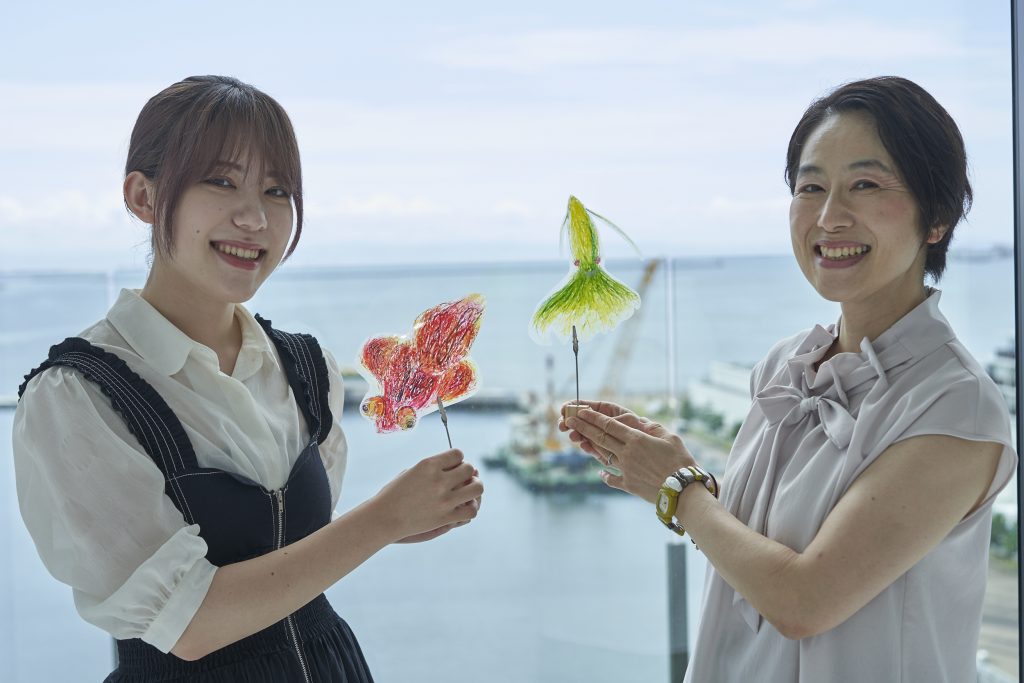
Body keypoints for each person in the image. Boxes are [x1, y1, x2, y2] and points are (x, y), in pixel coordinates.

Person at [13, 75, 484, 682]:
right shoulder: (77, 397)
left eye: (277, 190)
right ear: (143, 197)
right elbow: (188, 625)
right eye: (222, 181)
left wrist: (399, 525)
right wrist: (382, 520)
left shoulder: (307, 369)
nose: (255, 217)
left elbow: (286, 558)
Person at [561, 76, 1017, 682]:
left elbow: (805, 601)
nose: (830, 217)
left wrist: (680, 491)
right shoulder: (785, 367)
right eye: (811, 187)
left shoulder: (954, 404)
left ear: (936, 218)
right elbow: (762, 548)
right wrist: (665, 467)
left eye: (865, 184)